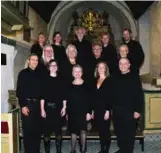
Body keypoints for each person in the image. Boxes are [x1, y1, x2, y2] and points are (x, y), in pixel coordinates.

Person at [112, 58, 144, 153]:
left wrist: (138, 110)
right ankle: (122, 149)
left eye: (125, 63)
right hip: (117, 110)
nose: (123, 65)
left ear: (129, 65)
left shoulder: (134, 77)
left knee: (129, 134)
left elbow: (139, 95)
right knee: (119, 132)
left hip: (130, 110)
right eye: (120, 64)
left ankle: (128, 151)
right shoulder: (115, 77)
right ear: (118, 65)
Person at [16, 53, 42, 153]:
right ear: (28, 61)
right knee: (28, 131)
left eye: (36, 60)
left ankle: (36, 151)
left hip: (37, 105)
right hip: (27, 104)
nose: (35, 62)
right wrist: (23, 106)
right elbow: (19, 91)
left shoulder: (39, 74)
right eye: (33, 59)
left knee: (37, 131)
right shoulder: (23, 73)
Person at [40, 59, 66, 153]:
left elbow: (64, 95)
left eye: (55, 65)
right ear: (49, 67)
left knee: (58, 132)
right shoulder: (44, 79)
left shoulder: (61, 79)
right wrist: (42, 109)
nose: (53, 67)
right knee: (46, 133)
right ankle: (47, 151)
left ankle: (58, 151)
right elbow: (42, 96)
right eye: (51, 65)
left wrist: (64, 107)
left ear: (57, 67)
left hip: (58, 109)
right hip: (47, 108)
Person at [66, 65, 92, 153]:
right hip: (72, 112)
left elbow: (90, 100)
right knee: (73, 132)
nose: (77, 73)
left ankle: (83, 150)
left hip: (83, 112)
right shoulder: (69, 85)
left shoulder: (87, 84)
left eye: (79, 71)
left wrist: (89, 112)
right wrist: (67, 113)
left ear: (82, 72)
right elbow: (67, 101)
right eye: (75, 71)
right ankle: (73, 150)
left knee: (83, 131)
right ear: (72, 73)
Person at [93, 62, 112, 153]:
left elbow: (110, 97)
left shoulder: (109, 80)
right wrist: (92, 110)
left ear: (105, 69)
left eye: (102, 67)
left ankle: (106, 150)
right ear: (97, 69)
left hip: (105, 108)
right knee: (101, 130)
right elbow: (92, 97)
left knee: (106, 130)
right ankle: (102, 149)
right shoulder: (95, 80)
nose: (100, 68)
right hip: (97, 109)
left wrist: (108, 110)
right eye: (99, 67)